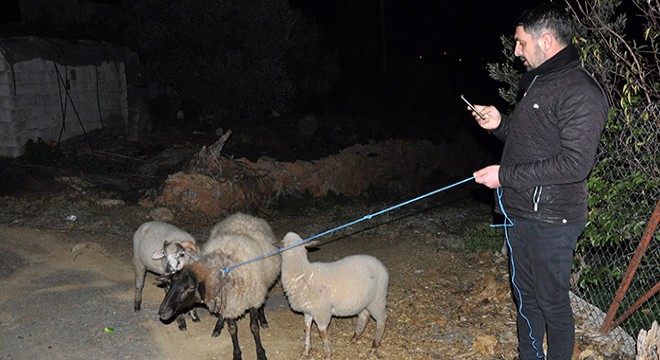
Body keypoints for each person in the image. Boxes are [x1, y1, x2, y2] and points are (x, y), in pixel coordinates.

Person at [469, 3, 608, 359]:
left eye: (521, 43)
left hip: (552, 220)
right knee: (526, 299)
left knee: (551, 303)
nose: (516, 52)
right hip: (522, 213)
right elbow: (530, 143)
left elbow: (574, 164)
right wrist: (499, 123)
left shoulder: (582, 91)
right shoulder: (539, 83)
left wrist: (504, 176)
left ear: (546, 41)